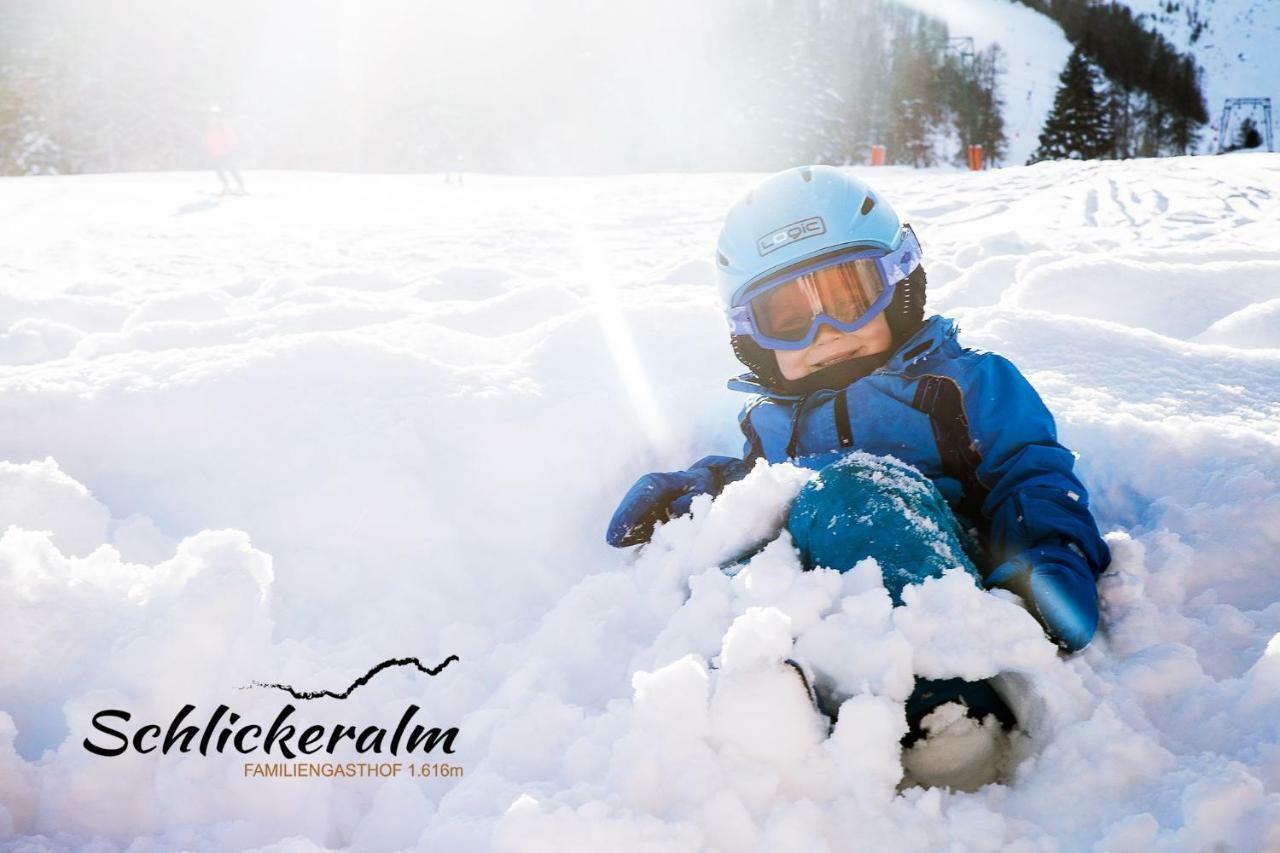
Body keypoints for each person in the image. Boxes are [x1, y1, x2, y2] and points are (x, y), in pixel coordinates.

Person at [605, 165, 1111, 750]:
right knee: (742, 560)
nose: (823, 331)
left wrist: (1049, 553)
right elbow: (757, 482)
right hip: (827, 586)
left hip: (935, 575)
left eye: (848, 296)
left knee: (857, 491)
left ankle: (944, 710)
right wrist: (698, 488)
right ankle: (767, 709)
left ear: (898, 285)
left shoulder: (967, 384)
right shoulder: (772, 422)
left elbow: (1031, 473)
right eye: (788, 319)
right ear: (752, 335)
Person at [204, 106, 247, 196]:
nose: (211, 119)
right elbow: (208, 140)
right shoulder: (210, 128)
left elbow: (232, 138)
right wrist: (209, 149)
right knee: (219, 171)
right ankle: (226, 187)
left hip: (227, 152)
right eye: (209, 117)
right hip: (216, 153)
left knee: (232, 169)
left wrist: (228, 149)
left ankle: (241, 187)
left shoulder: (223, 126)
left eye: (213, 117)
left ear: (217, 117)